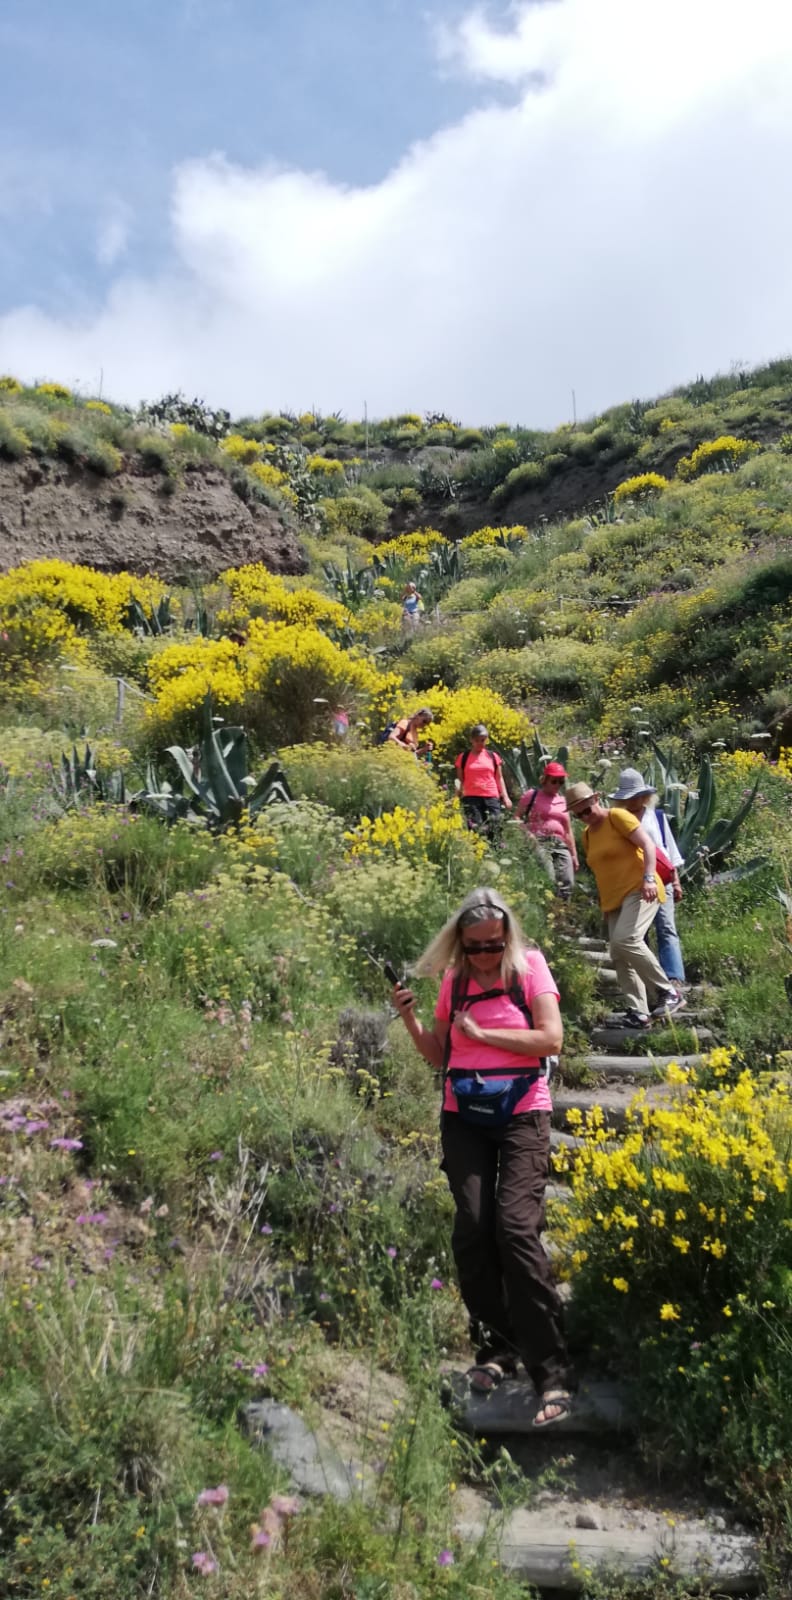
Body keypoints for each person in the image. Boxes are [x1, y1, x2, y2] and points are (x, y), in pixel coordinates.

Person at [391, 887, 574, 1426]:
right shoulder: (455, 981)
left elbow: (551, 1040)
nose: (484, 955)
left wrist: (486, 1033)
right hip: (462, 1112)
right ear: (459, 945)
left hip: (523, 1111)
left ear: (508, 937)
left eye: (493, 944)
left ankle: (554, 1371)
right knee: (472, 1228)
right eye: (474, 947)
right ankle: (497, 1351)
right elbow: (438, 1054)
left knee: (516, 1229)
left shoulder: (530, 968)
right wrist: (411, 1021)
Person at [566, 781, 684, 1029]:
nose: (585, 817)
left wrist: (650, 878)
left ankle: (668, 991)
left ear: (596, 799)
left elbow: (648, 845)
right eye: (578, 815)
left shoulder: (617, 816)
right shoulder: (587, 835)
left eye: (587, 809)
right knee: (619, 954)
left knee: (626, 939)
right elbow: (602, 871)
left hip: (640, 889)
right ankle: (639, 1011)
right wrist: (605, 905)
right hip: (614, 900)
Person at [608, 769, 686, 985]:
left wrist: (676, 881)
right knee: (637, 933)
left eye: (636, 796)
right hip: (632, 882)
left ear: (644, 796)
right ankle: (649, 978)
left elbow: (668, 851)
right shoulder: (617, 820)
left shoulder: (657, 818)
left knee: (666, 926)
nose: (633, 801)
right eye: (629, 797)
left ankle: (674, 976)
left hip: (660, 879)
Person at [516, 761, 578, 900]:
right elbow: (517, 817)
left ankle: (561, 912)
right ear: (545, 780)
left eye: (560, 782)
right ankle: (548, 910)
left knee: (567, 881)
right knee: (548, 877)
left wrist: (574, 855)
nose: (557, 785)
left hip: (560, 843)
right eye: (554, 781)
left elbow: (568, 830)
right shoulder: (532, 795)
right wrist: (527, 833)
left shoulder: (563, 800)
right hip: (539, 841)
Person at [454, 724, 512, 839]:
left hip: (491, 797)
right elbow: (460, 780)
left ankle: (495, 854)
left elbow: (499, 778)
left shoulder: (493, 756)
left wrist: (505, 797)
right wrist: (456, 797)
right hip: (471, 798)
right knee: (475, 830)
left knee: (495, 829)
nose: (480, 743)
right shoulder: (463, 757)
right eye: (477, 740)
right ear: (471, 740)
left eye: (483, 740)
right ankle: (478, 855)